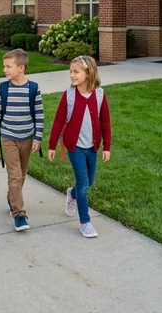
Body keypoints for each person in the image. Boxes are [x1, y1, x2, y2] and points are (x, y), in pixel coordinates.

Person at [47, 54, 111, 238]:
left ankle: (72, 194)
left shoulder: (99, 94)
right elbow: (58, 121)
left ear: (89, 73)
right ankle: (85, 222)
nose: (72, 75)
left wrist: (107, 146)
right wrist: (52, 145)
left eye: (76, 72)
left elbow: (105, 122)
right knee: (83, 183)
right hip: (74, 147)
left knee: (89, 182)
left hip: (92, 147)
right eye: (71, 72)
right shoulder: (69, 95)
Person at [0, 48, 43, 231]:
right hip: (8, 137)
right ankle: (19, 214)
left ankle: (11, 198)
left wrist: (38, 137)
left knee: (21, 174)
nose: (5, 70)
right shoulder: (3, 88)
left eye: (8, 66)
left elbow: (39, 115)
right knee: (14, 175)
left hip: (27, 137)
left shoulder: (33, 89)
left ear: (21, 68)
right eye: (4, 66)